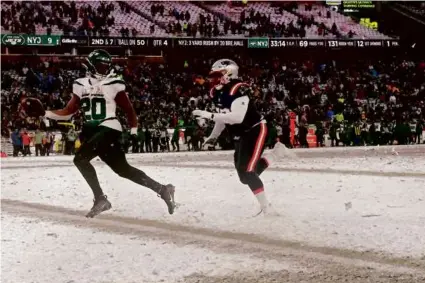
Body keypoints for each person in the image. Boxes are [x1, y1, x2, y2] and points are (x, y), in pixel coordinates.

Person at [22, 49, 176, 218]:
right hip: (92, 131)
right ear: (91, 65)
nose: (104, 69)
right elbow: (69, 111)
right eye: (101, 66)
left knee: (80, 159)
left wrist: (133, 131)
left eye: (106, 66)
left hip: (109, 127)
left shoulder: (114, 83)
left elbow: (129, 110)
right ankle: (163, 189)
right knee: (123, 170)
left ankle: (100, 198)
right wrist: (46, 113)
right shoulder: (81, 84)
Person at [192, 59, 286, 215]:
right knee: (244, 176)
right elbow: (224, 117)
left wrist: (208, 115)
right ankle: (275, 155)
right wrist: (213, 136)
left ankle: (267, 208)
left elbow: (237, 117)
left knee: (248, 172)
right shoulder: (217, 93)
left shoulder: (238, 89)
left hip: (255, 130)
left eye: (217, 75)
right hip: (241, 133)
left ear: (228, 74)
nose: (213, 79)